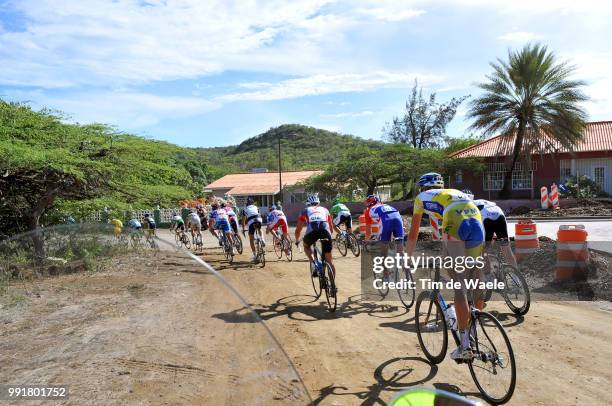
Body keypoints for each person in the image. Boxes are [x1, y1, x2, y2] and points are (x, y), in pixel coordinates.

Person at [405, 172, 485, 361]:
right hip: (475, 215)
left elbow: (414, 233)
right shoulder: (452, 193)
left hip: (454, 220)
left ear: (423, 188)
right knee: (475, 275)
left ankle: (464, 344)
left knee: (459, 285)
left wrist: (407, 258)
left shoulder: (421, 198)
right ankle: (474, 325)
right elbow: (441, 233)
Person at [294, 193, 335, 278]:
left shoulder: (305, 210)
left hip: (311, 233)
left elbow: (298, 229)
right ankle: (333, 287)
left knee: (306, 246)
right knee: (329, 261)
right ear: (318, 203)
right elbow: (331, 229)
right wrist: (329, 238)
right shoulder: (325, 210)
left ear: (308, 204)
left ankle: (314, 264)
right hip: (325, 233)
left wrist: (297, 240)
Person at [473, 198, 518, 268]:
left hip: (485, 217)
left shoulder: (466, 207)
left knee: (483, 250)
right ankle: (516, 276)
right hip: (499, 213)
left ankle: (488, 273)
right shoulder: (478, 201)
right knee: (506, 248)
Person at [240, 197, 264, 261]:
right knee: (259, 229)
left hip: (251, 222)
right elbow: (259, 214)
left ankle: (255, 255)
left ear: (247, 203)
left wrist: (243, 228)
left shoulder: (245, 209)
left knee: (251, 239)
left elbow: (243, 220)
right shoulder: (256, 207)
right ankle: (262, 239)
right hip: (259, 219)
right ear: (252, 202)